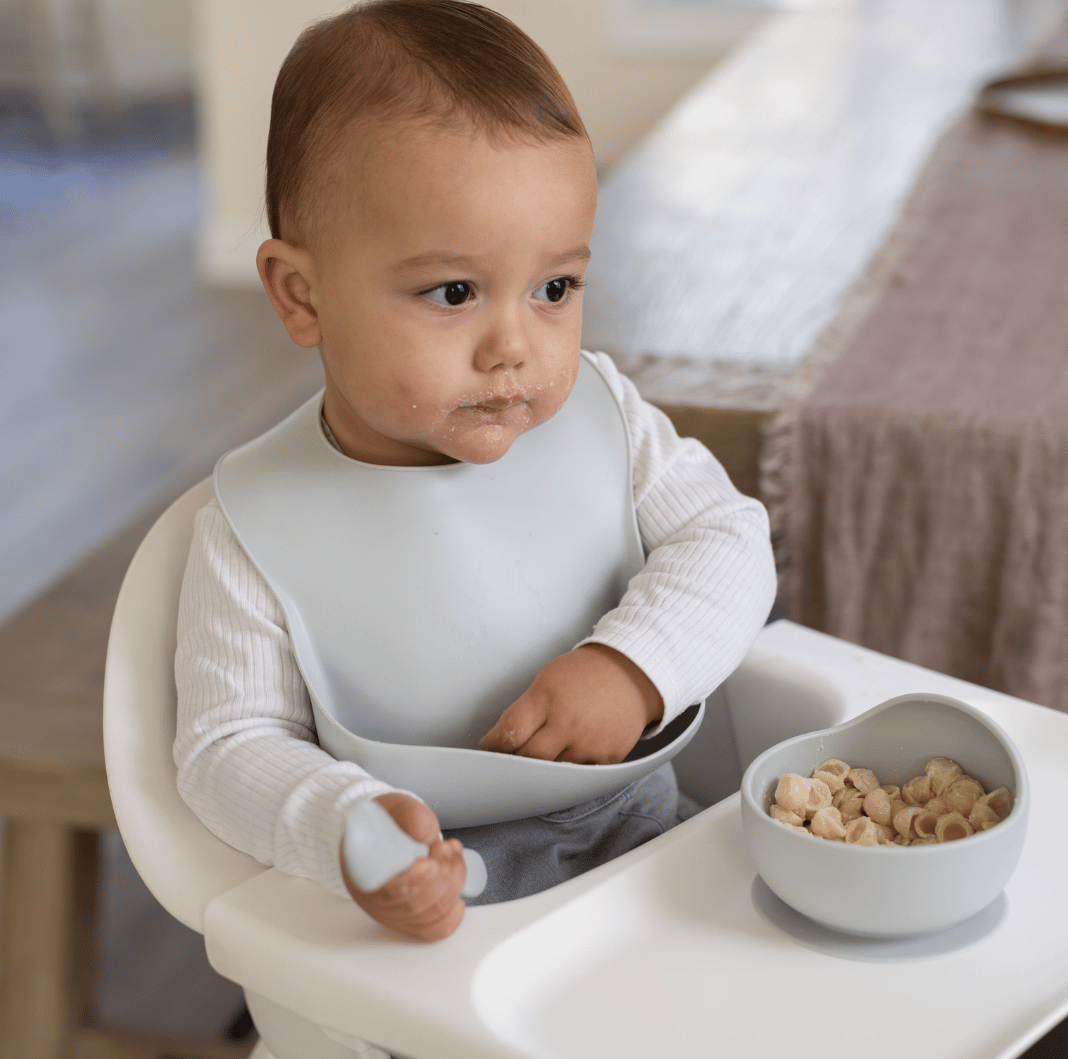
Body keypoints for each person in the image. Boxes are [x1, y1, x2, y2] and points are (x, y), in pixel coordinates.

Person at [176, 0, 772, 969]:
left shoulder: (599, 416)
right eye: (454, 293)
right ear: (301, 295)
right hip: (447, 923)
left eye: (555, 289)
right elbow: (223, 747)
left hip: (652, 852)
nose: (517, 349)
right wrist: (356, 829)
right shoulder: (254, 528)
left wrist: (632, 667)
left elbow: (730, 540)